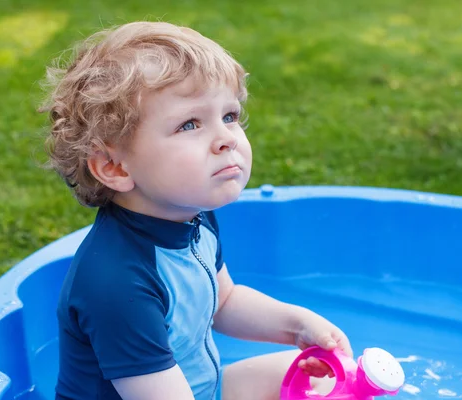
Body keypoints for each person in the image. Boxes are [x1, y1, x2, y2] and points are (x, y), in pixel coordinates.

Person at [39, 20, 352, 400]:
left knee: (325, 380)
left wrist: (297, 325)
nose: (226, 139)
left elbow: (224, 302)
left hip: (202, 389)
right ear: (115, 167)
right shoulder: (117, 282)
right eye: (190, 124)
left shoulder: (192, 218)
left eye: (229, 116)